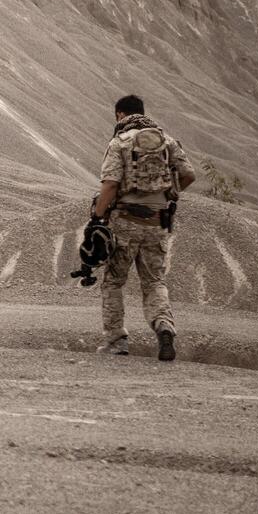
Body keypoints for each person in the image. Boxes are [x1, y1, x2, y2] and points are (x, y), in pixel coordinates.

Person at [90, 94, 195, 361]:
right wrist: (169, 195)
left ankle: (116, 339)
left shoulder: (119, 142)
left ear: (119, 115)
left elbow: (110, 184)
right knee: (154, 281)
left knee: (113, 281)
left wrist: (97, 217)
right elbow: (188, 175)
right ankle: (164, 327)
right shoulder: (167, 142)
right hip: (157, 224)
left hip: (124, 222)